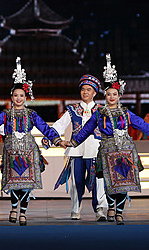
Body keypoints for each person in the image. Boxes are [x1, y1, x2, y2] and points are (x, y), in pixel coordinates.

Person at [65, 54, 149, 225]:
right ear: (105, 96)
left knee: (124, 181)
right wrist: (74, 142)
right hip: (107, 149)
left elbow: (141, 124)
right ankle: (110, 205)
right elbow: (86, 130)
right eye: (108, 94)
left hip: (125, 149)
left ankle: (119, 212)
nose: (112, 97)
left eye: (115, 94)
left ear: (119, 95)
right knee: (108, 182)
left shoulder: (126, 113)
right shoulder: (99, 113)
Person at [0, 58, 63, 226]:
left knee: (26, 184)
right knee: (14, 184)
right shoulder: (6, 114)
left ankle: (23, 212)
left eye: (21, 95)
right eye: (16, 95)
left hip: (29, 150)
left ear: (26, 97)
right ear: (12, 97)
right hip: (11, 150)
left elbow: (45, 128)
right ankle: (14, 207)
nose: (19, 98)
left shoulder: (31, 114)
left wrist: (58, 141)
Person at [46, 74, 108, 221]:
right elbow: (59, 125)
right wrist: (53, 139)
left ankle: (99, 209)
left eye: (89, 90)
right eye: (83, 90)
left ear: (94, 92)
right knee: (76, 181)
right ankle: (75, 208)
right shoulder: (73, 110)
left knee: (98, 181)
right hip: (76, 149)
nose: (85, 92)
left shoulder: (102, 109)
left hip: (95, 150)